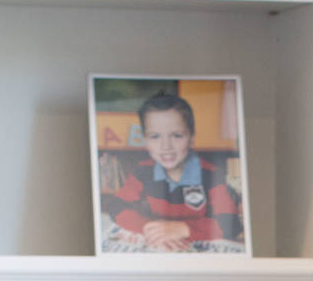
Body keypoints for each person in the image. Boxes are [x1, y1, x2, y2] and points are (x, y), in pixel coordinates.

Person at [100, 89, 242, 250]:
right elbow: (116, 205)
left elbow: (230, 222)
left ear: (191, 139)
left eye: (176, 135)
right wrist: (149, 229)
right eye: (155, 136)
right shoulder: (143, 171)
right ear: (145, 141)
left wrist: (184, 228)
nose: (165, 146)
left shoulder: (210, 174)